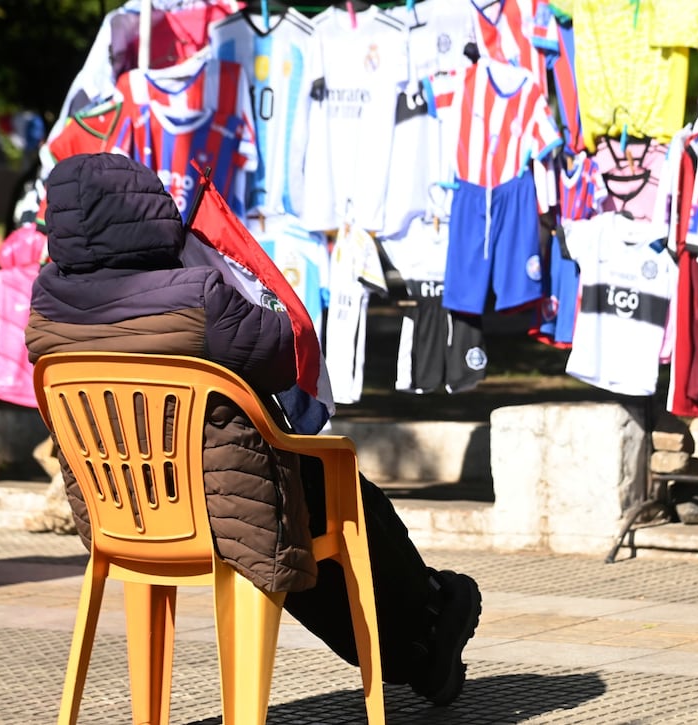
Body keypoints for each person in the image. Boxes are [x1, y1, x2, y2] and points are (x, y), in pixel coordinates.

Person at [25, 152, 481, 706]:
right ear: (149, 211)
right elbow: (281, 355)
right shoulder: (197, 295)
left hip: (127, 515)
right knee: (329, 500)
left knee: (294, 510)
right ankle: (430, 619)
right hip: (228, 508)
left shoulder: (46, 304)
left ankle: (424, 637)